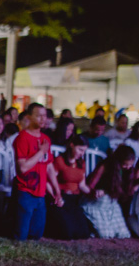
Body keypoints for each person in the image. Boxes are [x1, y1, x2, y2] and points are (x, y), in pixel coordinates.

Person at [12, 103, 59, 241]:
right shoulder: (22, 138)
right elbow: (22, 168)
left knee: (36, 234)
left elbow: (49, 166)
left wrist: (56, 189)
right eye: (39, 116)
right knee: (21, 235)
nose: (43, 119)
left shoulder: (45, 139)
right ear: (29, 117)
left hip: (41, 192)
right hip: (25, 190)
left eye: (45, 116)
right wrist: (41, 152)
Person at [83, 145, 136, 239]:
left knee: (123, 234)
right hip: (97, 203)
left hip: (112, 204)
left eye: (130, 165)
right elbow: (90, 185)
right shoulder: (106, 165)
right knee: (106, 234)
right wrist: (96, 192)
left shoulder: (128, 171)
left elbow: (127, 191)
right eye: (125, 164)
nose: (128, 167)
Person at [46, 135, 92, 240]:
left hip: (74, 199)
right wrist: (54, 196)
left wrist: (92, 192)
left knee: (84, 233)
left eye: (84, 151)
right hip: (62, 197)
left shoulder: (81, 163)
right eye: (80, 150)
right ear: (72, 145)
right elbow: (49, 181)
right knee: (67, 233)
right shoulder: (60, 161)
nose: (82, 153)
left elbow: (82, 185)